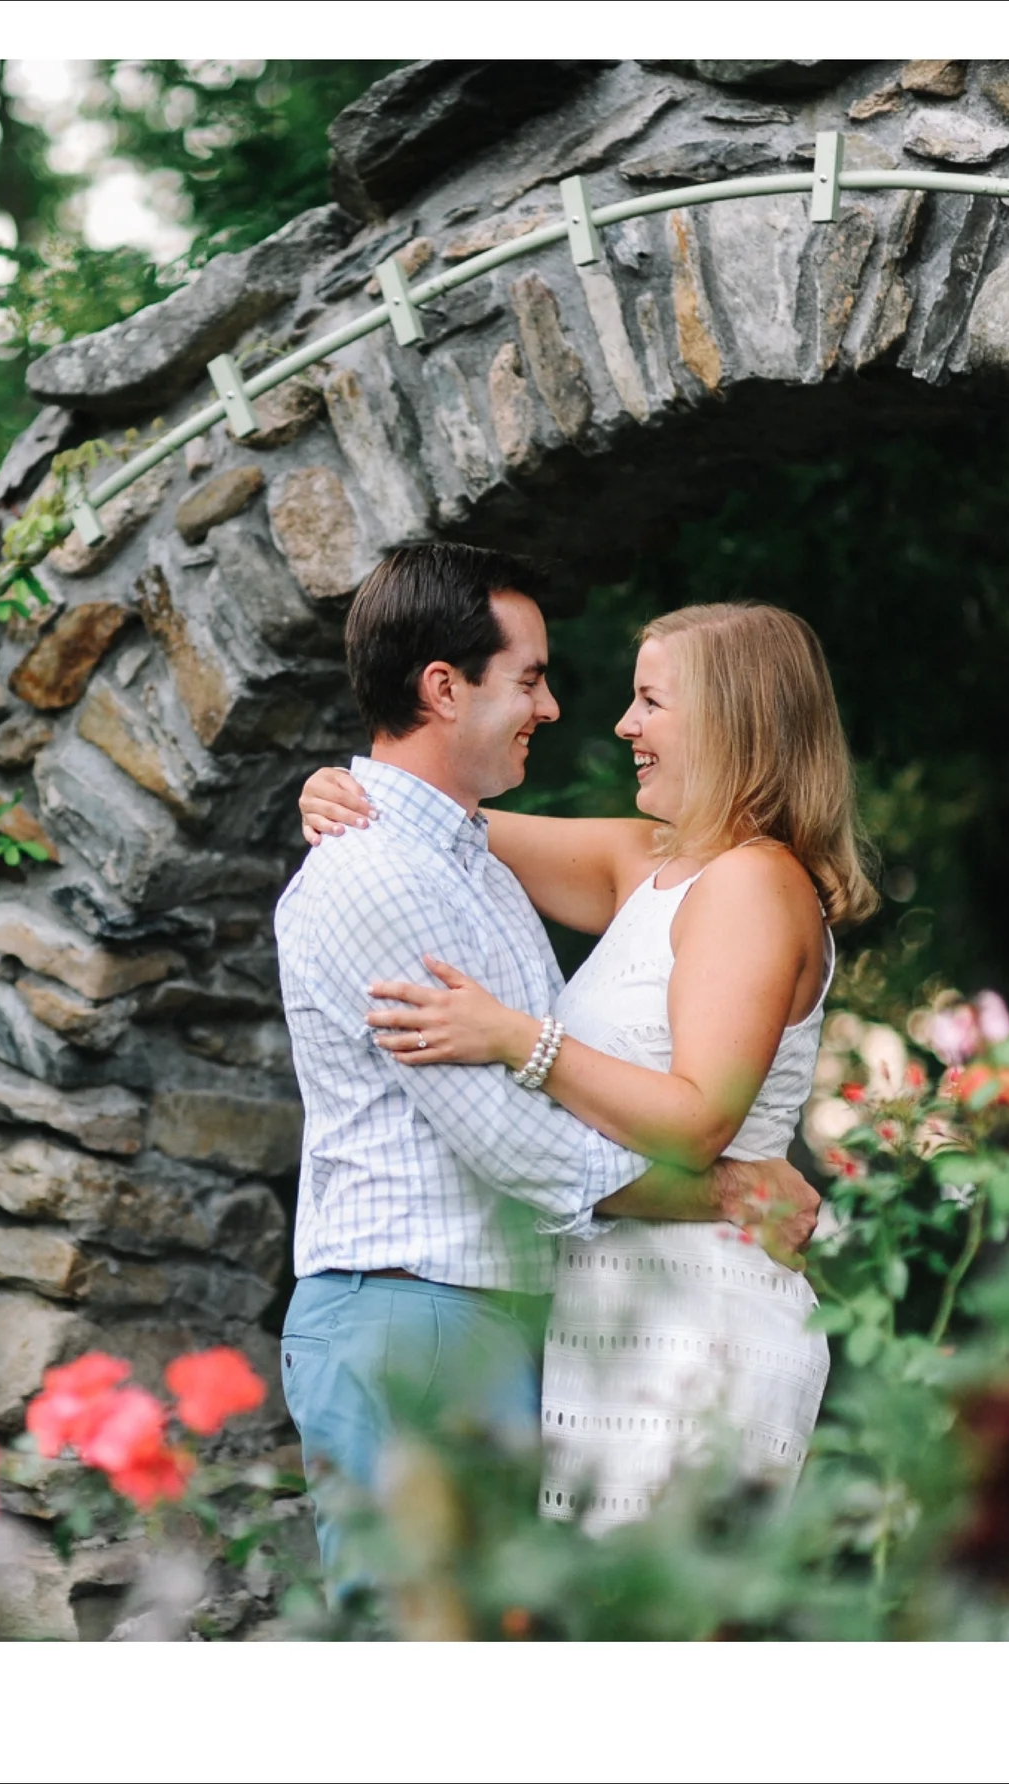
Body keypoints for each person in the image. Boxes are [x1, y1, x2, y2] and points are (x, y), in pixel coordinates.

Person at [273, 543, 820, 1587]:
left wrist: (516, 1035)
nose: (601, 719)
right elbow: (435, 816)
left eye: (649, 701)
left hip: (668, 1320)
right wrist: (339, 786)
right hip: (483, 1306)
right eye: (532, 679)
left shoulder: (740, 881)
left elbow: (684, 1112)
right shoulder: (627, 863)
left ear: (729, 721)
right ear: (446, 686)